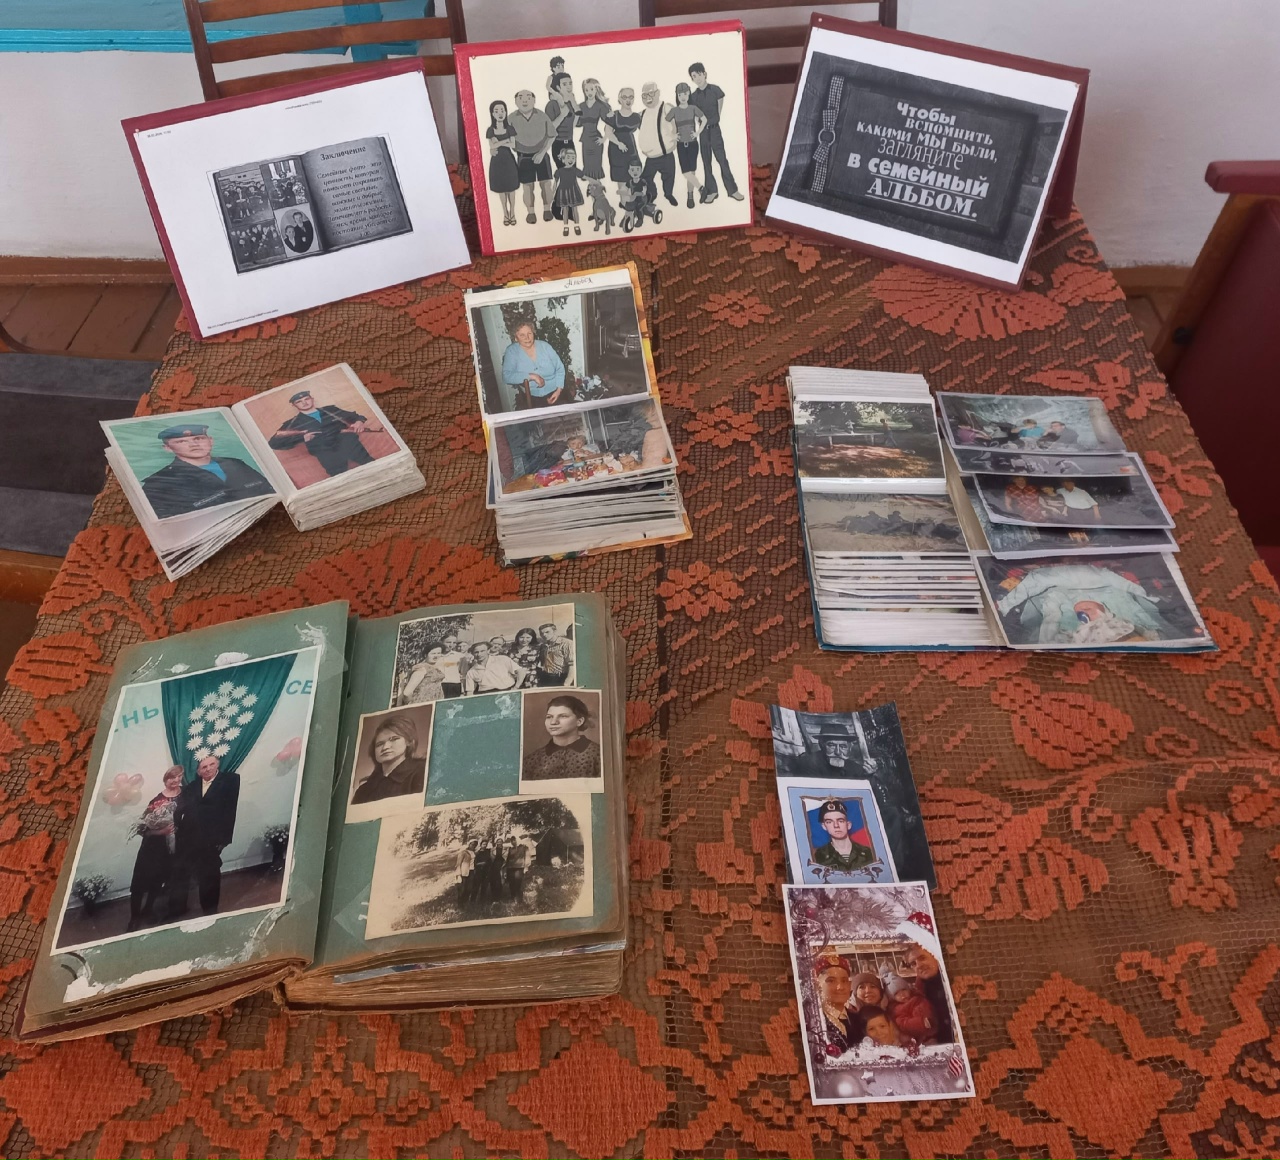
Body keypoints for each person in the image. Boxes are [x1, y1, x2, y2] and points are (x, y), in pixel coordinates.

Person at [140, 422, 274, 519]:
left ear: (210, 440)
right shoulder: (159, 483)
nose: (193, 444)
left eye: (198, 438)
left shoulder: (235, 464)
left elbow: (269, 489)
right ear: (167, 448)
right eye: (181, 441)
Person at [171, 755, 241, 917]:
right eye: (204, 767)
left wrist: (224, 840)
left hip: (211, 840)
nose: (208, 768)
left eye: (212, 764)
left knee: (209, 875)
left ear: (218, 764)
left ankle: (210, 911)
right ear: (198, 771)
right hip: (188, 838)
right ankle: (177, 909)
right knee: (180, 872)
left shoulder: (230, 781)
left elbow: (230, 811)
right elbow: (180, 809)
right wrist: (174, 828)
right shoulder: (191, 786)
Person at [267, 389, 378, 478]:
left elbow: (357, 416)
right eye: (299, 402)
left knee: (372, 466)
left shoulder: (331, 410)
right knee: (340, 478)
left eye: (306, 399)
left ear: (312, 399)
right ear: (294, 405)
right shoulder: (293, 423)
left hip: (350, 445)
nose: (304, 403)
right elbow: (274, 443)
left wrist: (359, 422)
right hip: (326, 453)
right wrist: (302, 437)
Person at [128, 765, 184, 931]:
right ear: (165, 780)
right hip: (151, 848)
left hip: (170, 848)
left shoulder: (186, 795)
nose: (175, 780)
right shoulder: (157, 800)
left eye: (179, 776)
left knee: (157, 882)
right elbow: (142, 829)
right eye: (171, 777)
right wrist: (161, 831)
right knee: (139, 884)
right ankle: (134, 918)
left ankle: (148, 909)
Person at [687, 62, 743, 204]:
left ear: (705, 74)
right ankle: (712, 191)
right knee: (706, 162)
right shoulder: (693, 97)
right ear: (692, 79)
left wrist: (713, 121)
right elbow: (694, 115)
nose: (697, 78)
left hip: (715, 130)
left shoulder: (715, 90)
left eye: (699, 74)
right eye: (694, 76)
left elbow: (719, 108)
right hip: (703, 133)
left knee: (722, 160)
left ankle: (732, 190)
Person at [523, 695, 601, 782]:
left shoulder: (598, 755)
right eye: (549, 717)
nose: (553, 722)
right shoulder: (531, 761)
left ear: (579, 721)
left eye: (563, 716)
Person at [351, 715, 426, 804]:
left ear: (409, 742)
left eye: (394, 739)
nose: (385, 747)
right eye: (379, 744)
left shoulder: (422, 772)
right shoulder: (363, 790)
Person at [510, 89, 555, 224]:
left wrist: (542, 153)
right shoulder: (511, 118)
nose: (525, 100)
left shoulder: (542, 115)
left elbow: (552, 136)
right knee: (527, 186)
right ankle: (531, 212)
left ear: (534, 100)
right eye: (520, 97)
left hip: (541, 154)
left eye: (528, 97)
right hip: (523, 157)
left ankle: (547, 209)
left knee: (546, 184)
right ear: (516, 101)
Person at [501, 321, 566, 408]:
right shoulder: (512, 351)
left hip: (555, 391)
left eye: (529, 333)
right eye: (522, 335)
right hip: (532, 397)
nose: (527, 338)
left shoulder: (545, 346)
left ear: (533, 333)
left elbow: (560, 368)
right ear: (516, 338)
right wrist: (531, 376)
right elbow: (506, 376)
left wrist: (558, 391)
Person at [664, 83, 707, 208]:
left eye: (685, 94)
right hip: (681, 145)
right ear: (677, 96)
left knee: (691, 172)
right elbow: (664, 124)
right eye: (680, 95)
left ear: (688, 94)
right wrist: (672, 135)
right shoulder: (674, 111)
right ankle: (701, 188)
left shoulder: (693, 108)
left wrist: (697, 132)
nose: (682, 97)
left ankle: (690, 197)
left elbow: (704, 119)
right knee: (686, 172)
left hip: (693, 144)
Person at [902, 942, 954, 1044]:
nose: (919, 965)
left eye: (922, 958)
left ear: (935, 956)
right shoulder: (918, 994)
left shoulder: (955, 979)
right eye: (913, 964)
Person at [637, 81, 679, 206]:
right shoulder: (642, 114)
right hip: (651, 157)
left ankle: (668, 194)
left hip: (666, 154)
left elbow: (676, 122)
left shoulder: (666, 107)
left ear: (658, 93)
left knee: (669, 176)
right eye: (644, 95)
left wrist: (675, 135)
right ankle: (652, 194)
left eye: (651, 93)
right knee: (646, 178)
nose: (648, 98)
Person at [812, 949, 860, 1055]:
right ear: (817, 986)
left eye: (844, 981)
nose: (840, 987)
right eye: (831, 981)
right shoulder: (814, 1023)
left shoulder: (859, 1019)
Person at [811, 798, 875, 873]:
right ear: (824, 826)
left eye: (840, 821)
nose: (836, 825)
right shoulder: (819, 856)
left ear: (848, 825)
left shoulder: (867, 852)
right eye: (829, 822)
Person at [486, 99, 521, 227]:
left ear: (506, 112)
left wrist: (499, 142)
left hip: (508, 160)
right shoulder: (490, 130)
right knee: (501, 189)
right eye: (496, 111)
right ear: (492, 114)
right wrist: (505, 141)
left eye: (502, 110)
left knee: (511, 189)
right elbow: (492, 146)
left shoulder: (510, 128)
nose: (500, 113)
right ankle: (505, 213)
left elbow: (513, 144)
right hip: (497, 161)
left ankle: (513, 213)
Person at [605, 88, 643, 201]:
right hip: (617, 150)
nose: (628, 100)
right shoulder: (614, 115)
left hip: (631, 149)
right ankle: (624, 204)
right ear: (619, 99)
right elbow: (608, 132)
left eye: (631, 97)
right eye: (625, 97)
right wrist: (618, 143)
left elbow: (646, 131)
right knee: (621, 180)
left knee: (634, 178)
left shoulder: (637, 117)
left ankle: (632, 206)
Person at [882, 972, 940, 1044]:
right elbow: (902, 1024)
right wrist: (921, 1023)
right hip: (920, 1038)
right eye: (897, 993)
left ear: (908, 989)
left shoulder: (918, 996)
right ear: (892, 997)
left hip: (932, 1032)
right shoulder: (896, 1009)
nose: (902, 995)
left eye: (904, 990)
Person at [576, 78, 611, 183]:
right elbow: (577, 124)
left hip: (596, 140)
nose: (589, 92)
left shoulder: (601, 106)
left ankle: (598, 190)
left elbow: (609, 123)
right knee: (587, 167)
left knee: (596, 167)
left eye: (591, 89)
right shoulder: (581, 106)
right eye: (586, 90)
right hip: (585, 140)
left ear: (596, 89)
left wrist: (604, 138)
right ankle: (591, 190)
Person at [545, 72, 580, 174]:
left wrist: (575, 106)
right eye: (565, 84)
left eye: (570, 83)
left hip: (570, 142)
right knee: (563, 172)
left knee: (572, 172)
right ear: (558, 87)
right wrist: (562, 115)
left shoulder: (571, 103)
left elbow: (573, 125)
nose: (569, 87)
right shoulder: (552, 104)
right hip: (557, 142)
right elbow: (550, 128)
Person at [552, 143, 587, 237]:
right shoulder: (559, 171)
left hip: (573, 191)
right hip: (563, 192)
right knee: (565, 210)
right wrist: (552, 193)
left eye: (573, 158)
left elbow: (584, 177)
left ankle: (577, 226)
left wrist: (594, 181)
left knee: (575, 209)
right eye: (568, 158)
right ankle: (566, 227)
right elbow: (555, 183)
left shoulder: (575, 170)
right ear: (563, 159)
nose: (571, 160)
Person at [535, 622, 574, 686]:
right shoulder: (544, 645)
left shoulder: (567, 643)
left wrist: (567, 682)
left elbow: (572, 664)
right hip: (546, 677)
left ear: (555, 631)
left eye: (547, 632)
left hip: (560, 677)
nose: (544, 635)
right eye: (541, 633)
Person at [504, 836, 530, 900]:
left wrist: (526, 867)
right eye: (512, 841)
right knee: (511, 882)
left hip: (519, 867)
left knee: (518, 881)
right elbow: (507, 858)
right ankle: (512, 896)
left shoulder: (524, 847)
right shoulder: (510, 849)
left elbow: (527, 857)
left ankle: (518, 897)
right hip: (510, 867)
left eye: (514, 840)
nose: (513, 842)